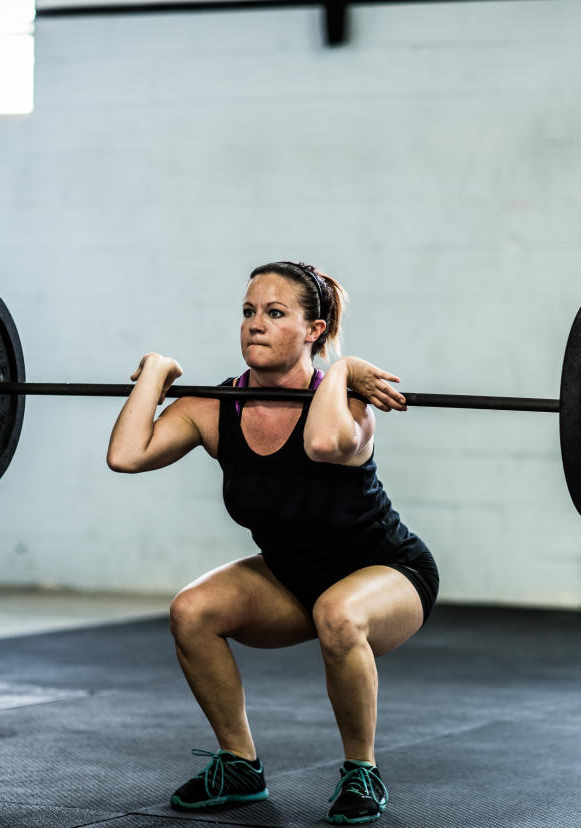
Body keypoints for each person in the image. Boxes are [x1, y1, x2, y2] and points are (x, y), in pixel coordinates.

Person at [106, 261, 437, 825]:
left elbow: (325, 442)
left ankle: (362, 770)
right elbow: (126, 456)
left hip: (387, 571)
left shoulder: (350, 402)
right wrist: (155, 375)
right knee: (191, 610)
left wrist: (341, 371)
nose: (255, 325)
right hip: (291, 577)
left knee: (337, 612)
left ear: (314, 330)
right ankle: (240, 764)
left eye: (275, 313)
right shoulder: (213, 409)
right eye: (248, 312)